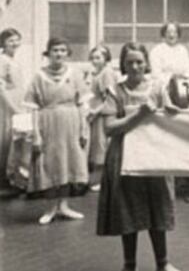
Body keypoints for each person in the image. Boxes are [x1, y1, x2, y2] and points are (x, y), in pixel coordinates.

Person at [96, 42, 181, 271]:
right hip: (124, 156)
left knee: (157, 206)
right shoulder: (116, 90)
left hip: (154, 155)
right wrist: (140, 114)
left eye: (139, 62)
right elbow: (109, 128)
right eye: (130, 62)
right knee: (128, 210)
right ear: (123, 64)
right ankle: (129, 264)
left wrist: (174, 110)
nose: (135, 66)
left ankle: (162, 264)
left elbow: (170, 112)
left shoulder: (157, 87)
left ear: (147, 63)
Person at [25, 37, 89, 224]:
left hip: (71, 122)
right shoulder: (38, 76)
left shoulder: (75, 74)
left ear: (67, 53)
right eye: (55, 50)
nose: (59, 54)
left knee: (69, 162)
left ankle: (64, 205)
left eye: (62, 50)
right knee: (51, 163)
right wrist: (36, 134)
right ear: (48, 53)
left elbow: (82, 104)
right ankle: (51, 207)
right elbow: (33, 107)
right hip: (48, 123)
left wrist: (83, 129)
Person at [86, 45, 117, 192]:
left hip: (104, 112)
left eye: (98, 57)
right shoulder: (95, 73)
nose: (94, 60)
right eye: (92, 57)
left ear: (106, 59)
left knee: (102, 146)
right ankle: (98, 178)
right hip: (96, 111)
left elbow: (109, 97)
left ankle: (104, 181)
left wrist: (96, 111)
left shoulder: (107, 73)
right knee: (97, 146)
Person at [0, 28, 24, 191]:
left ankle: (10, 176)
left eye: (17, 39)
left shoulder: (14, 60)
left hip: (16, 102)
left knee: (13, 142)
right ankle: (2, 179)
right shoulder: (2, 60)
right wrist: (13, 108)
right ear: (3, 43)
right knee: (4, 141)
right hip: (6, 105)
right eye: (10, 41)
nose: (15, 43)